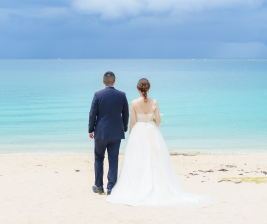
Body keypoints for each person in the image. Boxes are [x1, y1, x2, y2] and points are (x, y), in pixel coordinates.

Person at [106, 78, 210, 207]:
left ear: (138, 89)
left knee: (138, 160)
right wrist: (152, 129)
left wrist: (131, 135)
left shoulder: (133, 103)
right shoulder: (154, 102)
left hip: (138, 131)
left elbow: (132, 121)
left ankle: (139, 185)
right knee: (154, 159)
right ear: (148, 89)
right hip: (152, 130)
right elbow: (158, 121)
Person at [88, 71, 129, 195]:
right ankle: (111, 188)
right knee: (113, 159)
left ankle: (99, 186)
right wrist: (124, 128)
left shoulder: (98, 95)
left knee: (99, 158)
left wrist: (91, 129)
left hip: (101, 132)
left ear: (103, 82)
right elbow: (126, 114)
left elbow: (92, 114)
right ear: (114, 82)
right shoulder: (122, 95)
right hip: (116, 133)